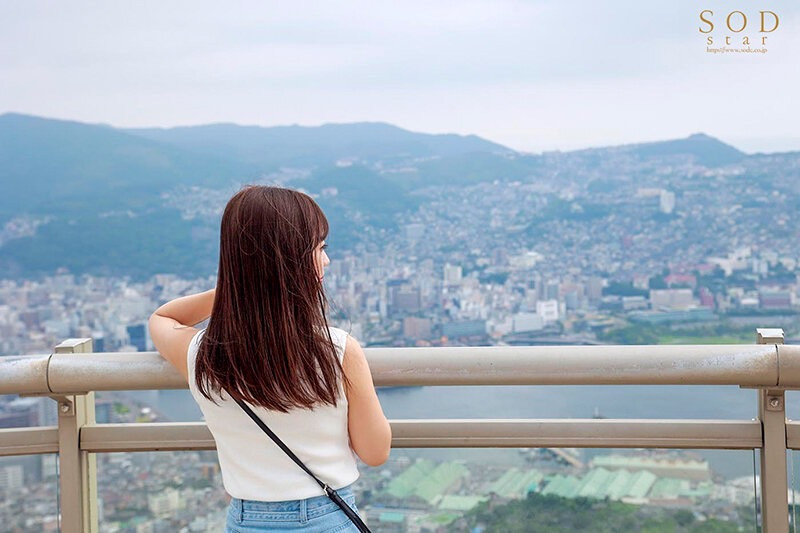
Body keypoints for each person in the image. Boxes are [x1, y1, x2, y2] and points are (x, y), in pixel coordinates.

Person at [149, 185, 391, 532]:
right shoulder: (337, 350)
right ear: (291, 261)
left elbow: (163, 319)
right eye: (319, 248)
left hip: (247, 522)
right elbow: (375, 451)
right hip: (328, 517)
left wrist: (244, 284)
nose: (327, 260)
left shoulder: (203, 355)